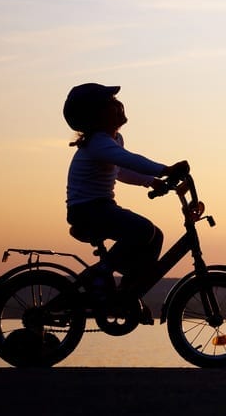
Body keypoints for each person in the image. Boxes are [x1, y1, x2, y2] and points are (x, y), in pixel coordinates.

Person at [63, 83, 187, 293]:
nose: (118, 105)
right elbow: (129, 160)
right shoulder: (98, 142)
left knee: (155, 236)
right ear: (97, 114)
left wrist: (152, 181)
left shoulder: (114, 140)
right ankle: (101, 271)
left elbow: (120, 171)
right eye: (111, 103)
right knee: (143, 230)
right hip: (88, 211)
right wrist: (165, 169)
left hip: (101, 207)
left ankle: (130, 289)